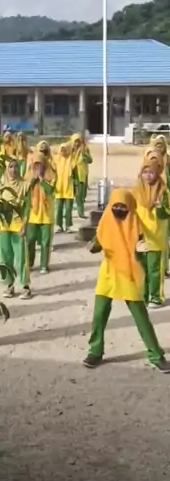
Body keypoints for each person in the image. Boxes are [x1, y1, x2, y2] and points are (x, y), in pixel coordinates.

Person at [83, 189, 170, 372]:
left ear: (130, 207)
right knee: (99, 314)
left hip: (129, 274)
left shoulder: (136, 225)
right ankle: (95, 351)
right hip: (108, 273)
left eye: (123, 207)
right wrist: (93, 246)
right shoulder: (106, 221)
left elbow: (141, 246)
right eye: (116, 206)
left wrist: (141, 249)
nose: (119, 210)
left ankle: (156, 355)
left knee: (140, 316)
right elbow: (98, 242)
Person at [133, 158, 169, 308]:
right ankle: (144, 295)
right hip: (140, 236)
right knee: (142, 268)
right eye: (145, 172)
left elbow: (166, 214)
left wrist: (160, 207)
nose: (148, 175)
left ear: (157, 173)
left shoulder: (163, 191)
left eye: (151, 172)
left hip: (156, 237)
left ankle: (156, 296)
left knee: (155, 269)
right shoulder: (136, 191)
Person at [0, 158, 31, 299]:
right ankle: (9, 285)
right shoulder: (0, 185)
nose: (13, 170)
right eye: (10, 167)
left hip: (18, 225)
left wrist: (25, 224)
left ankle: (25, 286)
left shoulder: (25, 185)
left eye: (16, 166)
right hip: (3, 226)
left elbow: (27, 207)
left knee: (21, 257)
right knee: (5, 257)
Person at [25, 153, 55, 274]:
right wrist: (33, 180)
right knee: (30, 239)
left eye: (40, 165)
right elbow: (25, 192)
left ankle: (44, 265)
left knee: (45, 241)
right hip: (33, 213)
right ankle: (30, 262)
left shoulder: (51, 176)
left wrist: (42, 180)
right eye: (36, 165)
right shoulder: (28, 176)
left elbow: (51, 190)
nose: (38, 168)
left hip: (46, 214)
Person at [70, 133, 92, 218]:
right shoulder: (68, 151)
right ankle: (66, 213)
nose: (77, 143)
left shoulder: (84, 150)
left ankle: (81, 213)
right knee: (68, 197)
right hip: (70, 176)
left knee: (80, 197)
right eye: (75, 141)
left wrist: (84, 154)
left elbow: (90, 160)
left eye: (78, 141)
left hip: (80, 176)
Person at [54, 142, 74, 233]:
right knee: (59, 209)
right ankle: (59, 225)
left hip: (69, 188)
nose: (63, 152)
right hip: (58, 188)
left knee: (68, 209)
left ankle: (68, 226)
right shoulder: (57, 160)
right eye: (61, 150)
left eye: (65, 150)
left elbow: (75, 173)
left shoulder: (71, 160)